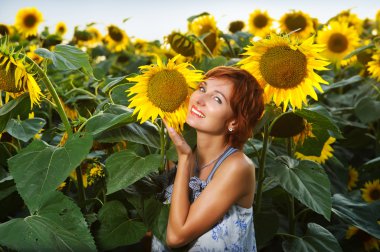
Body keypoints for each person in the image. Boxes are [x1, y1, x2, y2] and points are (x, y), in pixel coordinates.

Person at [152, 66, 264, 251]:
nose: (200, 100)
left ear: (234, 122)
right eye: (202, 88)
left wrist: (185, 158)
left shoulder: (237, 166)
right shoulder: (175, 154)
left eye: (217, 99)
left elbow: (175, 237)